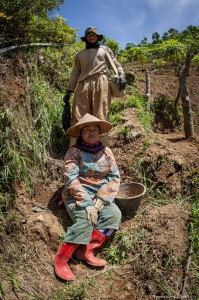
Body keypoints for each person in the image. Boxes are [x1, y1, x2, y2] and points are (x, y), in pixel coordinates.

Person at [54, 113, 122, 281]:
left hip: (100, 196)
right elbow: (72, 180)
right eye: (87, 130)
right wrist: (87, 204)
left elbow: (114, 177)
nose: (91, 133)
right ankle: (61, 260)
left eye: (94, 130)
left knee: (114, 215)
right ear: (81, 133)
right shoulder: (73, 152)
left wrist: (102, 198)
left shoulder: (107, 153)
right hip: (76, 195)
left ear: (99, 133)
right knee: (85, 220)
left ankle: (86, 250)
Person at [62, 26, 126, 134]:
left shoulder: (105, 50)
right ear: (86, 37)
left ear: (97, 37)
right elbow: (75, 73)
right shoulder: (79, 54)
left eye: (94, 34)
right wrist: (69, 91)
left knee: (101, 115)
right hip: (83, 85)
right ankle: (76, 146)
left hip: (101, 83)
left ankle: (101, 146)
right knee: (79, 115)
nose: (92, 36)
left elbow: (116, 64)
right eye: (89, 34)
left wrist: (122, 74)